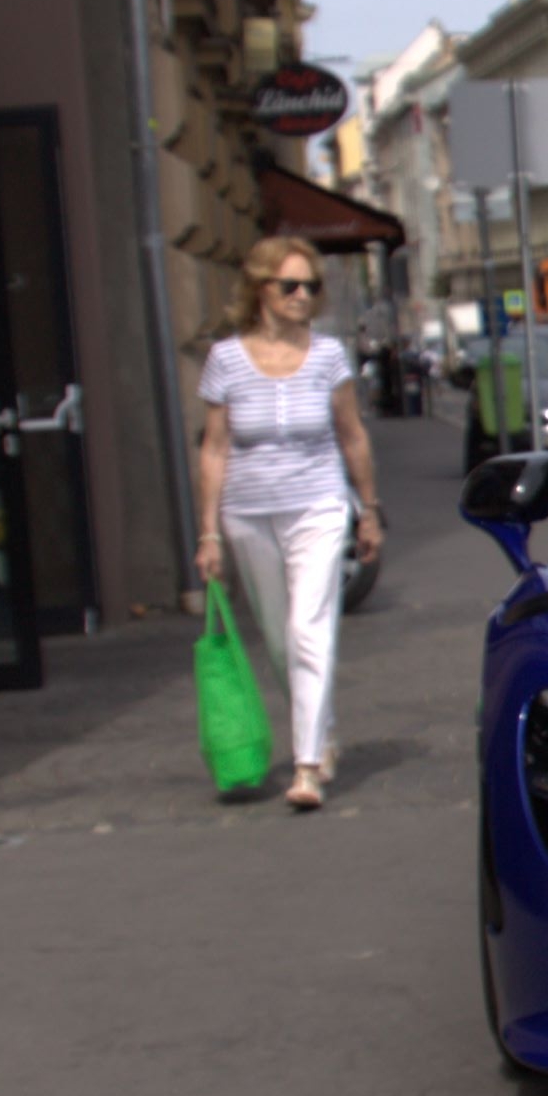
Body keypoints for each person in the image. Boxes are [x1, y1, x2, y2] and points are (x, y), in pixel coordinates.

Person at [194, 241, 383, 810]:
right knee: (279, 638)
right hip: (247, 513)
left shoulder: (329, 357)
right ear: (260, 291)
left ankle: (306, 766)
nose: (303, 297)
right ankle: (322, 733)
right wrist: (207, 533)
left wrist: (368, 510)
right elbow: (214, 450)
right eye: (290, 286)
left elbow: (352, 435)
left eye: (310, 287)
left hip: (318, 506)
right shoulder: (226, 359)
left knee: (308, 627)